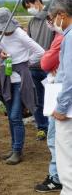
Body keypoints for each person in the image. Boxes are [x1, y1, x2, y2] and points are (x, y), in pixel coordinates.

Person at [0, 7, 45, 165]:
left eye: (1, 29)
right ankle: (14, 147)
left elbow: (40, 51)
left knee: (15, 116)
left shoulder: (20, 34)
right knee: (10, 117)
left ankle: (18, 151)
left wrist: (25, 63)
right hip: (6, 78)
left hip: (20, 79)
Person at [34, 14, 64, 193]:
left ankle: (57, 177)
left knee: (55, 138)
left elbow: (46, 62)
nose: (50, 23)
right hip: (60, 90)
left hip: (60, 92)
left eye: (52, 18)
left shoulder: (62, 37)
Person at [48, 0, 72, 194]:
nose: (52, 23)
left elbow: (71, 77)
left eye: (52, 18)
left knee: (66, 156)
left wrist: (62, 107)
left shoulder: (70, 37)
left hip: (69, 109)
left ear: (62, 15)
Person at [22, 0, 55, 140]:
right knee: (37, 99)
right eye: (27, 7)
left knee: (52, 99)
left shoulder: (51, 19)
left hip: (49, 68)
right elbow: (28, 43)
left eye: (29, 5)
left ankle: (54, 128)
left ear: (37, 1)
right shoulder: (32, 22)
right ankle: (42, 128)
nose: (29, 9)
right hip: (34, 67)